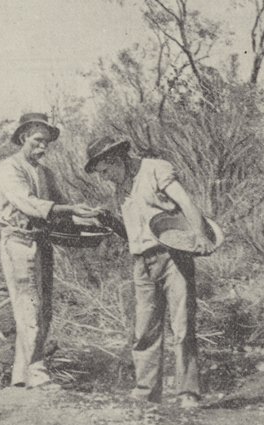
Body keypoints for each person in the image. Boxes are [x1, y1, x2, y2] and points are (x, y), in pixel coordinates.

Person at [83, 135, 211, 408]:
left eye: (105, 171)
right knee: (144, 331)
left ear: (115, 159)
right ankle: (146, 394)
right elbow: (132, 234)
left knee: (182, 326)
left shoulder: (155, 169)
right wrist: (108, 220)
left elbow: (186, 204)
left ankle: (188, 393)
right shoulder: (121, 189)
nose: (104, 177)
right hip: (141, 263)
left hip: (173, 256)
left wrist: (199, 235)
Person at [0, 112, 101, 390]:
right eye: (38, 140)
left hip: (42, 241)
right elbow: (28, 204)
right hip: (18, 241)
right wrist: (69, 210)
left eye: (47, 142)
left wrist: (89, 217)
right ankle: (37, 376)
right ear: (23, 137)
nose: (43, 147)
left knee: (43, 311)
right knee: (29, 309)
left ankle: (21, 377)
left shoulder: (45, 173)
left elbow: (60, 210)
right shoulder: (9, 168)